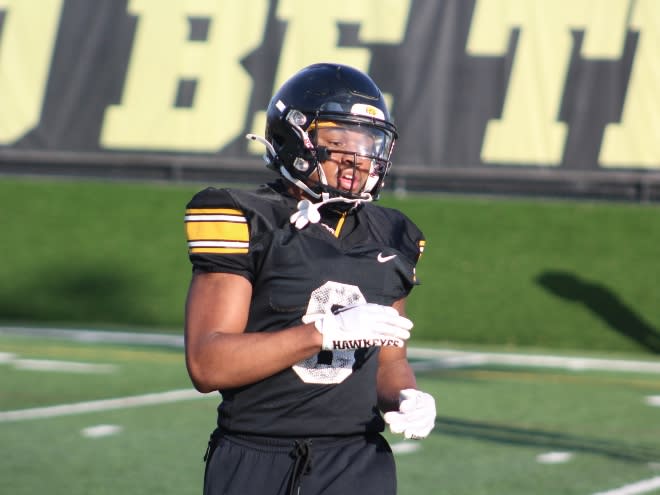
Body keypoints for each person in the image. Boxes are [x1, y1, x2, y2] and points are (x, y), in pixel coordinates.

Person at [183, 62, 436, 495]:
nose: (357, 158)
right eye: (338, 141)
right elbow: (208, 365)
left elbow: (390, 363)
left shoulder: (395, 235)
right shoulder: (246, 217)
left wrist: (406, 397)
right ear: (295, 139)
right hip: (257, 457)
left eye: (369, 142)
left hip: (358, 461)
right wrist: (321, 332)